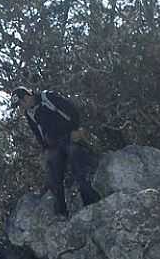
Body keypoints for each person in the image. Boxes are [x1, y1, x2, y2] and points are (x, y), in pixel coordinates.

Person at [11, 86, 100, 216]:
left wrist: (78, 130)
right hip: (54, 145)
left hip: (71, 136)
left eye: (20, 103)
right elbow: (38, 134)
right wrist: (46, 149)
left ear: (27, 97)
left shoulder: (48, 97)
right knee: (53, 176)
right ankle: (61, 214)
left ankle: (91, 203)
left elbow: (73, 110)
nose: (21, 107)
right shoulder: (29, 114)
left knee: (78, 165)